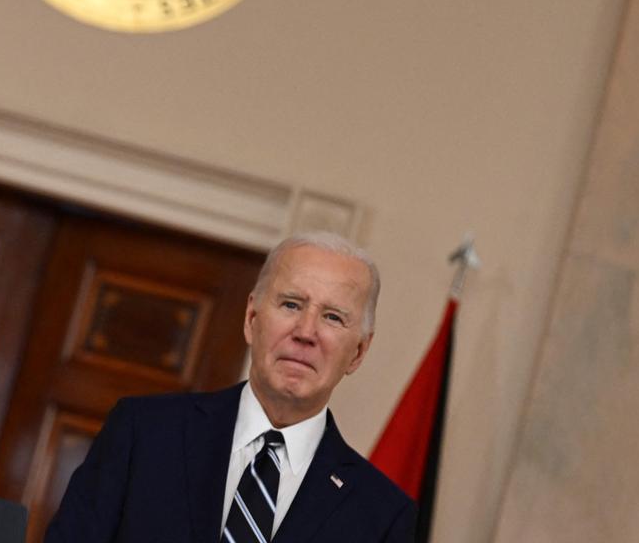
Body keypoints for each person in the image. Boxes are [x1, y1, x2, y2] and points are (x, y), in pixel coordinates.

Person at [45, 232, 414, 542]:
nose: (305, 332)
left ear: (358, 353)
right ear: (252, 318)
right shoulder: (143, 432)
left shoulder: (383, 516)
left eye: (332, 317)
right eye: (290, 304)